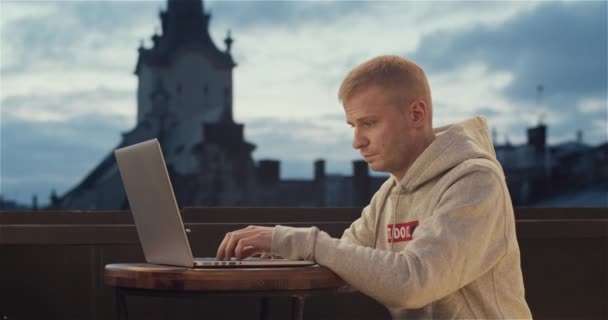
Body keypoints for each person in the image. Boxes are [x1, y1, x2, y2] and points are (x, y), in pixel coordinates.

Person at [216, 55, 532, 319]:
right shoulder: (391, 192)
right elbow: (347, 257)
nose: (357, 142)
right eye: (354, 127)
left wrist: (296, 240)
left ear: (416, 114)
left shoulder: (475, 181)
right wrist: (279, 254)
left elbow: (413, 281)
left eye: (369, 123)